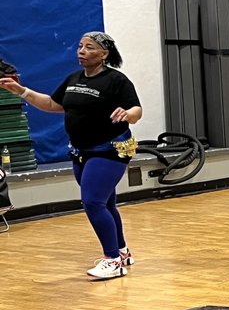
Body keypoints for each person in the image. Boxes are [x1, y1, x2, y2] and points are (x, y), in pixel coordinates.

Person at [0, 32, 141, 280]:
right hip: (80, 152)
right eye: (80, 46)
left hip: (109, 150)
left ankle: (112, 260)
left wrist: (127, 115)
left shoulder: (116, 80)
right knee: (105, 203)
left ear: (103, 54)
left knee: (93, 202)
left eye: (89, 48)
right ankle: (122, 251)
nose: (81, 51)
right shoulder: (74, 79)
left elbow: (136, 110)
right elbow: (53, 104)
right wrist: (22, 91)